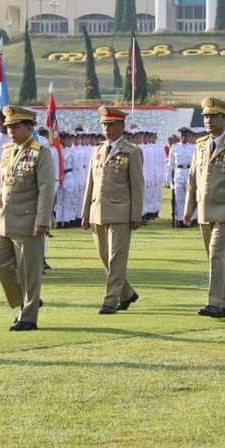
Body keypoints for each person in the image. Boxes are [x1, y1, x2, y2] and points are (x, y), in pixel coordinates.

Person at [183, 97, 225, 318]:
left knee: (215, 255)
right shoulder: (200, 145)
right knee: (217, 258)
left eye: (213, 116)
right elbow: (193, 179)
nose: (208, 120)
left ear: (224, 118)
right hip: (203, 210)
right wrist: (188, 208)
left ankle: (215, 303)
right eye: (205, 116)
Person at [0, 105, 55, 331]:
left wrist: (43, 220)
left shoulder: (41, 152)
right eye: (8, 126)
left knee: (29, 271)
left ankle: (28, 317)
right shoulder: (8, 150)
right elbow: (2, 188)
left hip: (28, 220)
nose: (10, 131)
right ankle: (25, 302)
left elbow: (46, 189)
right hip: (5, 219)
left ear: (28, 127)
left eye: (15, 126)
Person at [80, 106, 143, 314]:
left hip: (120, 212)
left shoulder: (132, 151)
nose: (106, 128)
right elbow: (90, 183)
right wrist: (85, 212)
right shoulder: (97, 150)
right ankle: (126, 293)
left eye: (111, 124)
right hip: (98, 210)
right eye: (104, 124)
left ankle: (110, 299)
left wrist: (135, 215)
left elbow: (137, 186)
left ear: (121, 126)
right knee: (104, 257)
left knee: (117, 258)